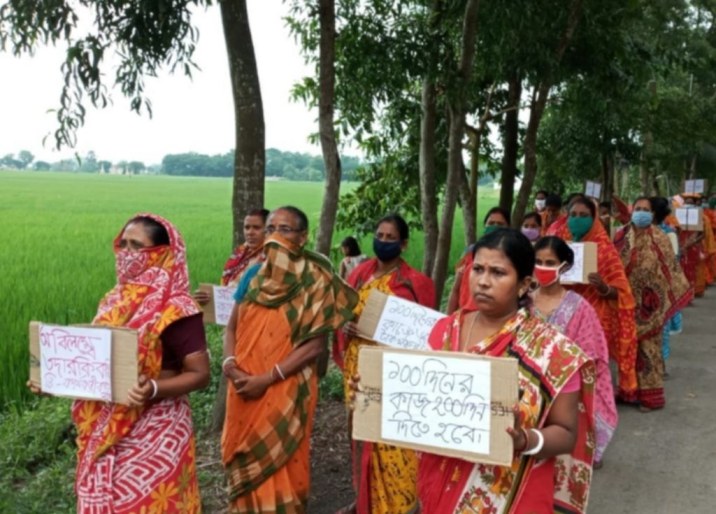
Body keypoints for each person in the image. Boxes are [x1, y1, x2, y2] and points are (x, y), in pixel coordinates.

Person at [29, 213, 210, 512]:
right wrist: (53, 381)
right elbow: (95, 363)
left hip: (157, 428)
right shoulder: (114, 300)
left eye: (137, 246)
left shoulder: (177, 308)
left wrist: (152, 387)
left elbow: (200, 374)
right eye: (122, 244)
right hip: (106, 427)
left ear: (163, 254)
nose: (126, 254)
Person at [415, 229, 595, 513]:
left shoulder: (552, 352)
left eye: (498, 273)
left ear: (524, 284)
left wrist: (525, 439)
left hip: (512, 496)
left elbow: (566, 433)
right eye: (477, 269)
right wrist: (374, 395)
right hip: (440, 482)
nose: (483, 282)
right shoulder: (444, 331)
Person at [221, 206, 358, 513]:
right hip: (241, 387)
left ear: (303, 237)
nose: (275, 236)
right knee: (243, 465)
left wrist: (266, 379)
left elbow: (314, 347)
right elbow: (232, 327)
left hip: (285, 387)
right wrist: (229, 364)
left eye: (285, 230)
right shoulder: (253, 274)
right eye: (271, 229)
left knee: (283, 467)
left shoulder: (314, 280)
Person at [335, 213, 435, 514]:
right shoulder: (359, 275)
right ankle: (363, 500)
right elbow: (341, 314)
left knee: (395, 442)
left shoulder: (416, 284)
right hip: (358, 370)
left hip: (396, 374)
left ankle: (400, 504)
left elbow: (426, 336)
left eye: (391, 238)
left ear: (403, 244)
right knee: (361, 436)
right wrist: (346, 327)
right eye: (380, 235)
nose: (384, 242)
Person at [532, 236, 617, 467]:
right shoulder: (522, 303)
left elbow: (592, 355)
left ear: (565, 266)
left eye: (550, 263)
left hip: (567, 390)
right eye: (538, 261)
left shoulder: (580, 308)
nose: (543, 268)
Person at [547, 196, 638, 400]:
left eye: (584, 216)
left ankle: (591, 403)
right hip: (560, 312)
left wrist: (604, 288)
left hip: (595, 316)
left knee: (590, 363)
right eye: (573, 215)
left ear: (594, 218)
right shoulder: (556, 245)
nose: (577, 219)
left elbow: (623, 292)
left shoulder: (604, 250)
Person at [614, 197, 693, 411]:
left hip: (652, 304)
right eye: (637, 209)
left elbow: (671, 270)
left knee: (649, 350)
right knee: (628, 348)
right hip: (626, 303)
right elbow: (613, 264)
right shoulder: (621, 235)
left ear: (652, 214)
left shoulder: (661, 236)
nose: (641, 213)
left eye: (645, 210)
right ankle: (628, 391)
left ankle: (651, 398)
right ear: (631, 211)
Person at [194, 208, 269, 305]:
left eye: (256, 228)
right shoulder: (240, 253)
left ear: (268, 230)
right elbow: (227, 287)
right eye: (247, 227)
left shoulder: (272, 257)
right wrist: (207, 297)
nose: (250, 232)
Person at [447, 207, 511, 314]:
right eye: (491, 223)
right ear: (485, 225)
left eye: (500, 224)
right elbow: (456, 289)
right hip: (465, 315)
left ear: (508, 227)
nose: (494, 227)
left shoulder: (512, 255)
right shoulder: (470, 251)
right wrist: (448, 320)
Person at [650, 196, 684, 360]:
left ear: (654, 213)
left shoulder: (669, 234)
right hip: (640, 287)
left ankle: (660, 361)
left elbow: (673, 261)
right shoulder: (635, 232)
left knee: (660, 327)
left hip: (660, 287)